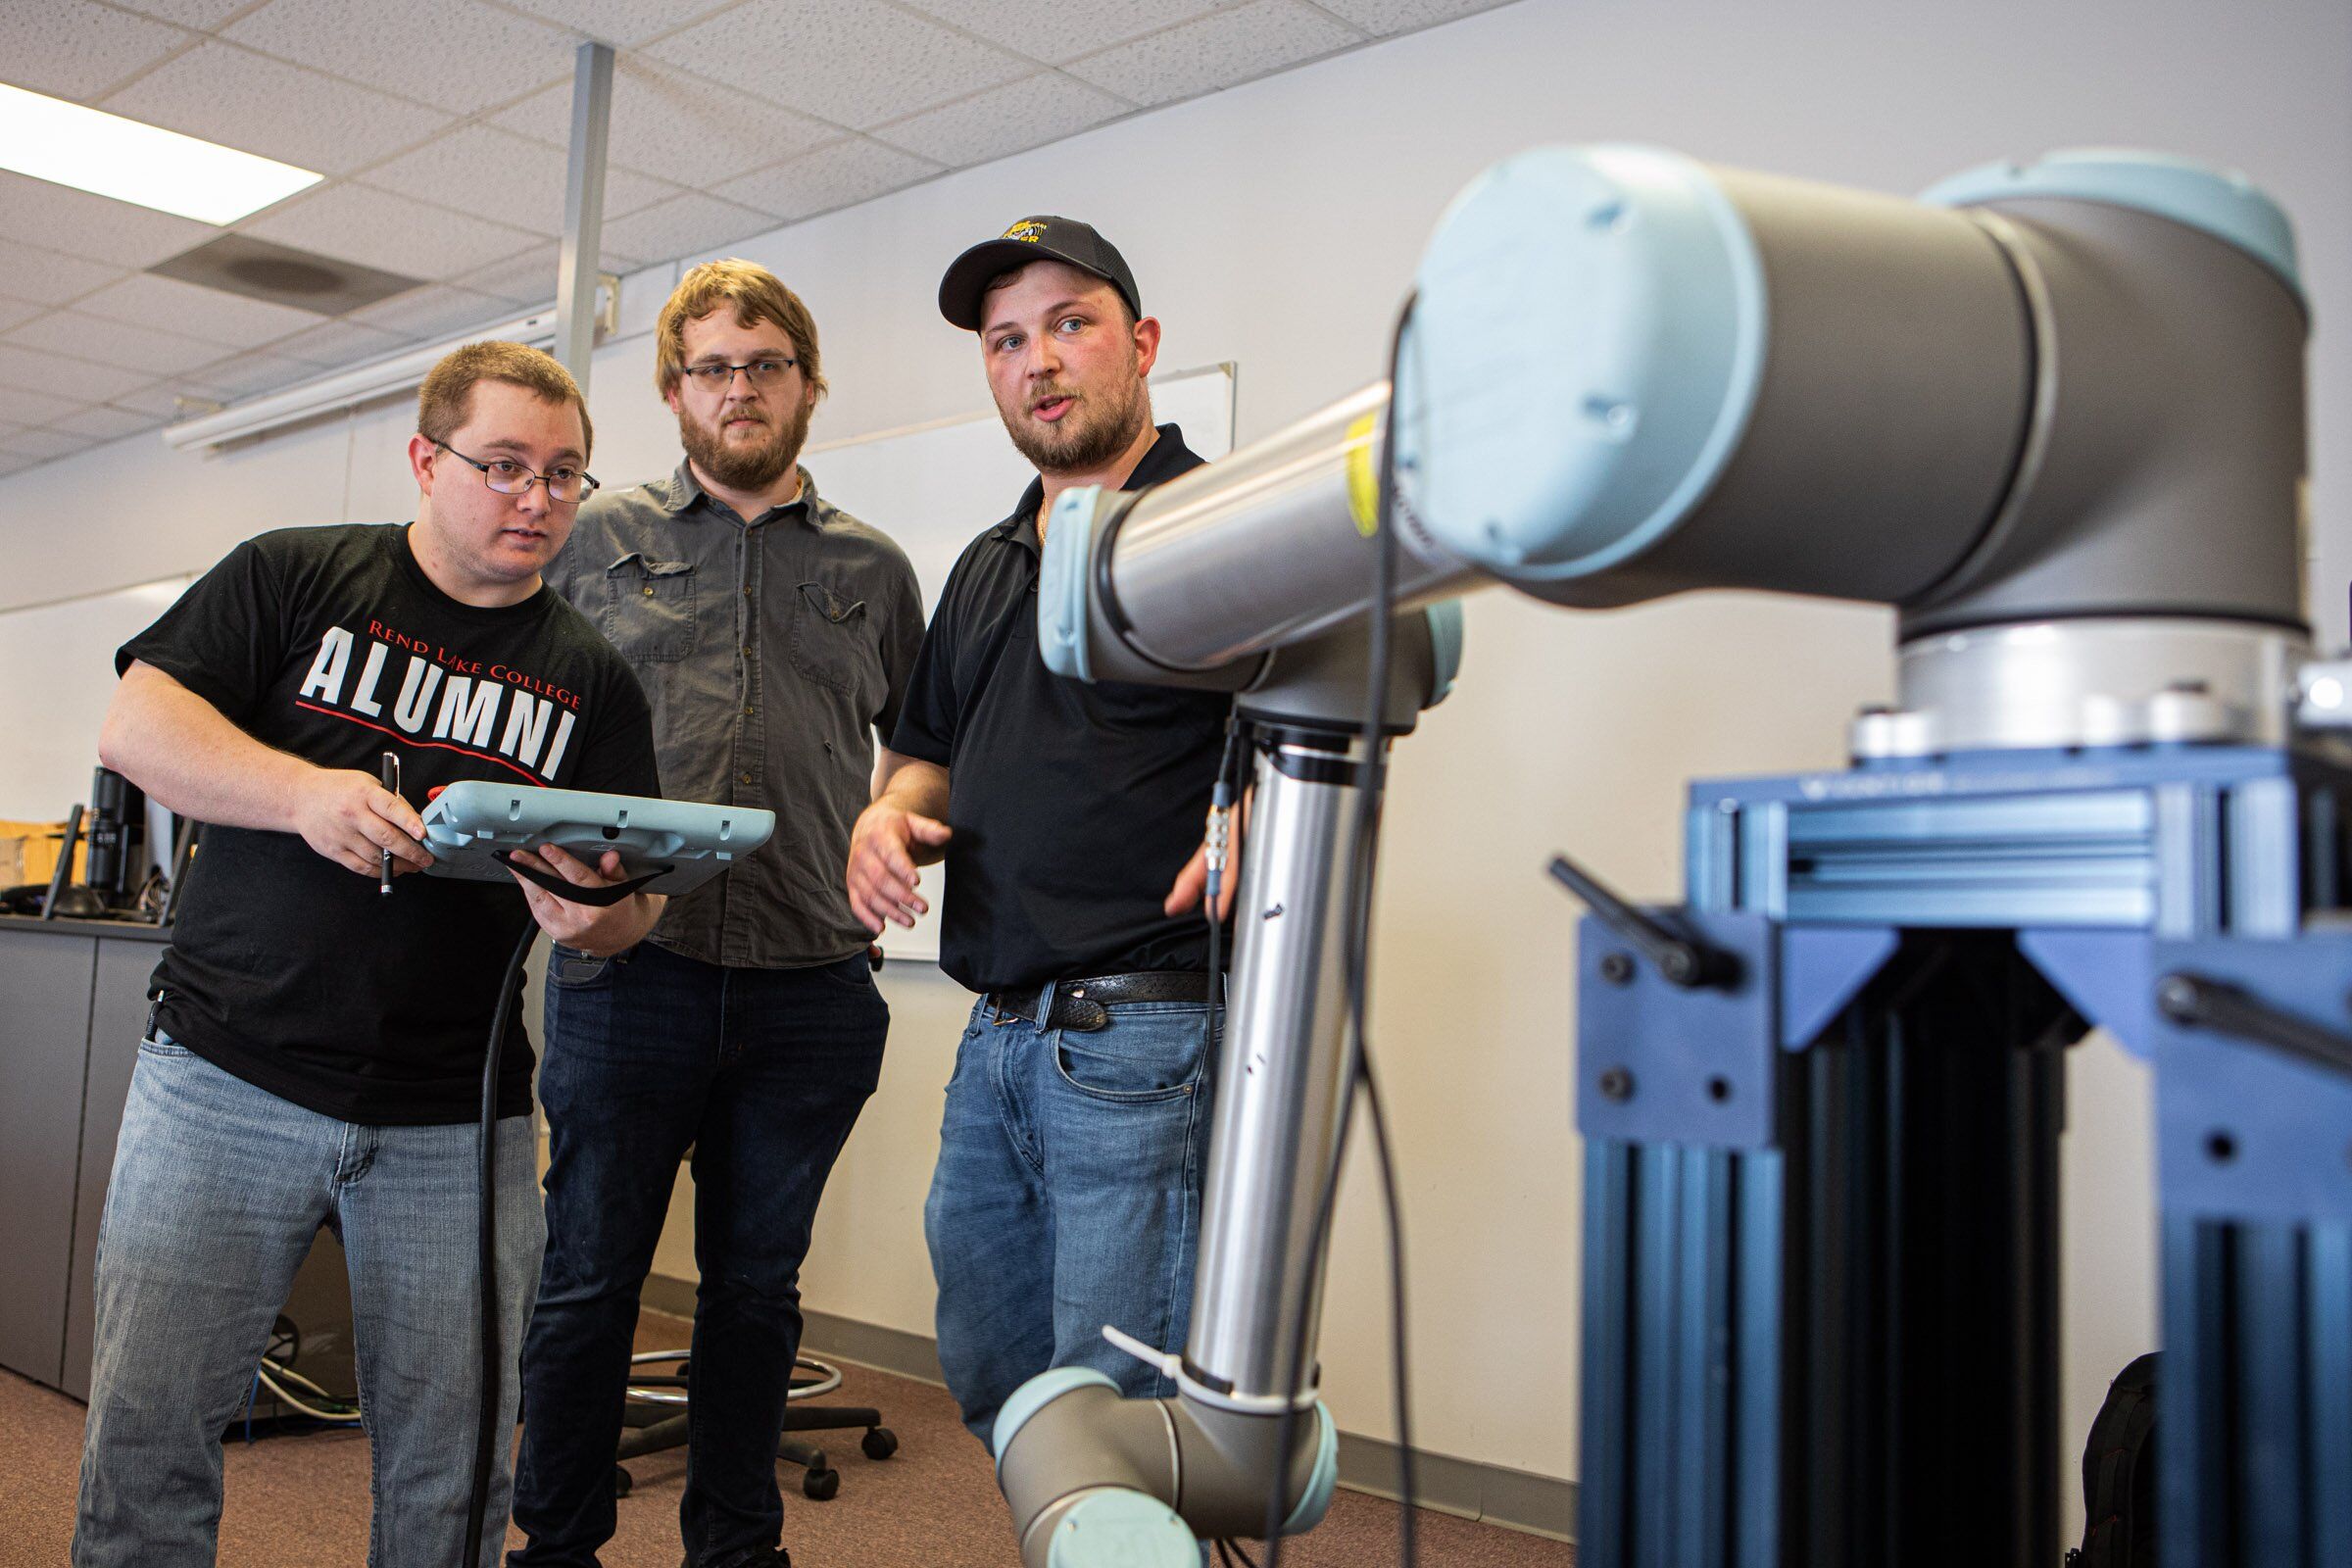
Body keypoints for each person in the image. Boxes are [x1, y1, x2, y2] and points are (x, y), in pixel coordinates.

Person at [74, 343, 664, 1568]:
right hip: (223, 1081)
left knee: (452, 1471)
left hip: (460, 1116)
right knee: (152, 1440)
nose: (537, 498)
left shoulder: (589, 676)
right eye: (504, 465)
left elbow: (632, 903)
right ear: (425, 459)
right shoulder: (297, 575)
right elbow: (139, 723)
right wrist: (301, 794)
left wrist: (589, 914)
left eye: (565, 475)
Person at [513, 261, 923, 1568]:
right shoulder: (592, 540)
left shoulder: (875, 567)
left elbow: (920, 749)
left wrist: (897, 811)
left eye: (764, 365)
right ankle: (558, 1543)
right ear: (674, 389)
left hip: (812, 989)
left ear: (806, 383)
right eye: (711, 367)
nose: (737, 389)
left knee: (755, 1295)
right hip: (633, 974)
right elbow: (523, 721)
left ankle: (735, 1550)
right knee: (586, 1286)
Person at [845, 217, 1238, 1446]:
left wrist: (1263, 814)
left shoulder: (1223, 525)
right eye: (1009, 340)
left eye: (1072, 324)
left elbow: (1317, 728)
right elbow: (926, 761)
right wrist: (886, 816)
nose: (1039, 360)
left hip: (1150, 1028)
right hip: (999, 1035)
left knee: (1121, 1416)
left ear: (1144, 343)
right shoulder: (987, 561)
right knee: (1001, 1379)